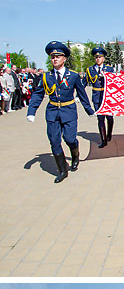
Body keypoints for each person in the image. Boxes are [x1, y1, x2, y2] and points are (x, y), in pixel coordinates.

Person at [27, 41, 94, 184]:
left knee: (70, 139)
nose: (55, 59)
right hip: (52, 112)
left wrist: (89, 110)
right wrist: (31, 111)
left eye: (58, 56)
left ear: (64, 59)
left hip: (68, 111)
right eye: (53, 57)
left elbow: (82, 94)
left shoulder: (74, 76)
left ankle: (75, 156)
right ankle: (62, 170)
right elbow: (38, 94)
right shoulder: (46, 77)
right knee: (54, 141)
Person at [82, 46, 115, 148]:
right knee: (100, 119)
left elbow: (114, 82)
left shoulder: (109, 69)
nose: (98, 59)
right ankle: (103, 140)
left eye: (100, 57)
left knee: (109, 118)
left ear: (103, 58)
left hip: (107, 97)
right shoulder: (90, 70)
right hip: (96, 97)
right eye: (96, 57)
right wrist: (79, 94)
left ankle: (109, 133)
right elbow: (83, 83)